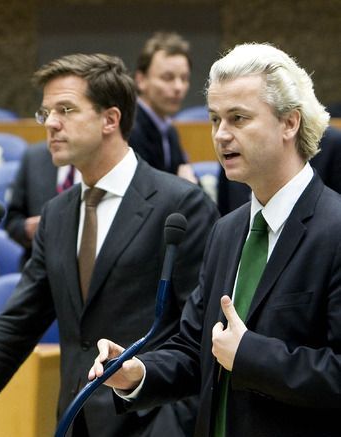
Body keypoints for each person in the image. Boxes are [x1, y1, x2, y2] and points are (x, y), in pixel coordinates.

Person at [0, 53, 219, 437]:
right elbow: (17, 325)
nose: (51, 124)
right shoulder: (58, 214)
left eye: (66, 109)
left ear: (110, 119)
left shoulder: (180, 206)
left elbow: (200, 335)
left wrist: (178, 425)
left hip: (156, 423)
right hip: (75, 422)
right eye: (45, 112)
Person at [90, 43, 341, 436]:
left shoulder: (336, 229)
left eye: (238, 118)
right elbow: (195, 352)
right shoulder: (226, 231)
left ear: (289, 123)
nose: (221, 135)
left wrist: (251, 355)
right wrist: (136, 372)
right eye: (215, 119)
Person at [130, 32, 197, 184]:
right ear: (141, 80)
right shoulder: (130, 130)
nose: (179, 87)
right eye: (168, 78)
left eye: (184, 78)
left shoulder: (169, 130)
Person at [5, 141, 79, 264]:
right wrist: (29, 229)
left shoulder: (103, 160)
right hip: (40, 268)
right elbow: (12, 222)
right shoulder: (34, 157)